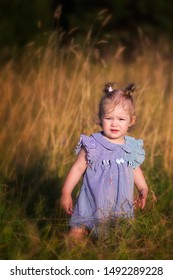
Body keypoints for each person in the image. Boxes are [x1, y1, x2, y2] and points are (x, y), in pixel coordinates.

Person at [60, 82, 148, 239]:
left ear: (131, 121)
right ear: (100, 118)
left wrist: (143, 188)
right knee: (77, 234)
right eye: (109, 118)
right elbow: (78, 168)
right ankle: (73, 258)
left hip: (119, 205)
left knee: (118, 238)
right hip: (91, 201)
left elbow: (134, 168)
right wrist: (66, 192)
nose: (114, 123)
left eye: (121, 119)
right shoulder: (92, 144)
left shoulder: (130, 147)